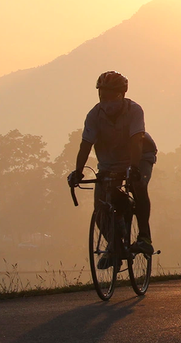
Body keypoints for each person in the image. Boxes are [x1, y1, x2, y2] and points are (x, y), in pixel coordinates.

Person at [67, 71, 158, 265]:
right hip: (110, 162)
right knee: (101, 207)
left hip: (140, 156)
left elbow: (136, 141)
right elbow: (85, 145)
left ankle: (144, 237)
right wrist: (78, 171)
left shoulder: (134, 110)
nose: (106, 101)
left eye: (110, 96)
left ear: (121, 95)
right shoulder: (94, 115)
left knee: (139, 186)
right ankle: (115, 246)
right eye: (102, 96)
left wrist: (134, 168)